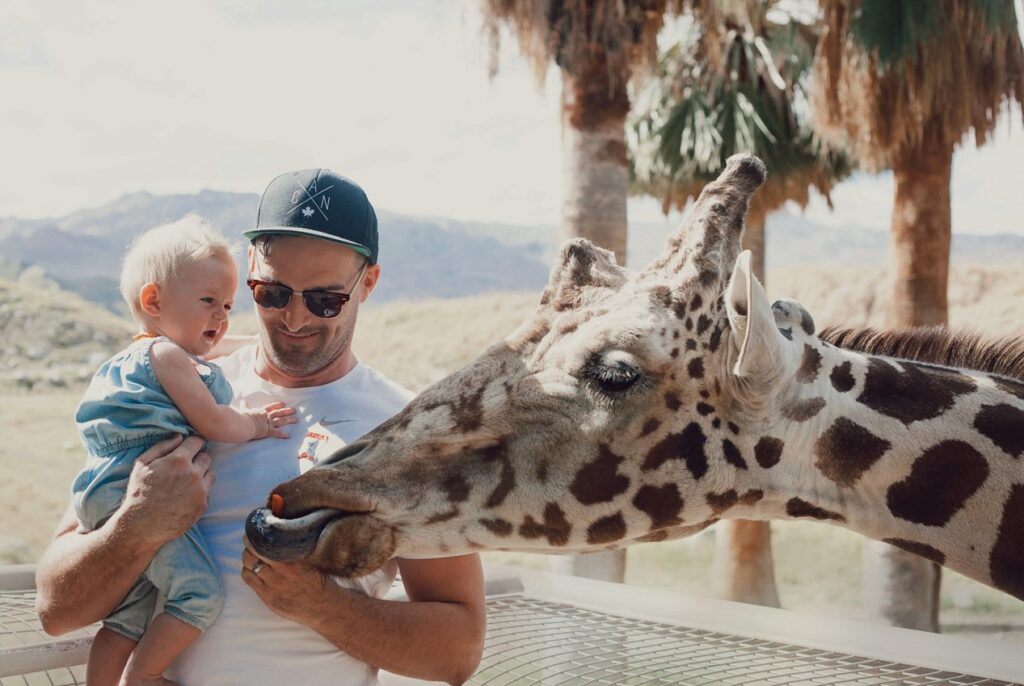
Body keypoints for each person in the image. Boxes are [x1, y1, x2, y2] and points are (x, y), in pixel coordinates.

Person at [35, 169, 487, 686]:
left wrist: (319, 606)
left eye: (324, 300)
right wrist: (137, 525)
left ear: (368, 283)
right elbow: (56, 609)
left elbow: (459, 651)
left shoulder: (411, 434)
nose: (294, 318)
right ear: (248, 268)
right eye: (272, 293)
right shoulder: (177, 386)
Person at [73, 217, 298, 686]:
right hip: (143, 493)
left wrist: (259, 343)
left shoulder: (135, 359)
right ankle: (145, 677)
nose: (221, 317)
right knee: (197, 596)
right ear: (154, 301)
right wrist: (257, 423)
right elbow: (214, 422)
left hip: (104, 491)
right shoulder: (168, 357)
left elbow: (212, 348)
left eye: (228, 306)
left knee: (130, 614)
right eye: (209, 302)